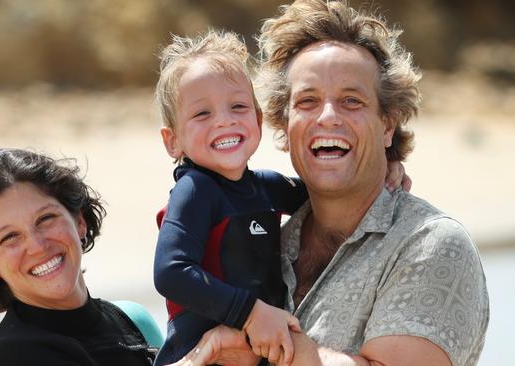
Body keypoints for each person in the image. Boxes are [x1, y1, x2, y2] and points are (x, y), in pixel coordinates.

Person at [171, 1, 489, 366]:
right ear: (283, 125)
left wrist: (272, 350)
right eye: (308, 101)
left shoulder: (431, 244)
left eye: (351, 101)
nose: (328, 117)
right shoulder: (267, 237)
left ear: (387, 125)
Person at [153, 29, 409, 366]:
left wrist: (386, 164)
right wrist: (250, 313)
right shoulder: (195, 191)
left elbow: (336, 190)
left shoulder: (267, 187)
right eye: (203, 114)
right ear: (173, 141)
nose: (225, 121)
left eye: (238, 106)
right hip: (198, 353)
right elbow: (170, 272)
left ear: (259, 120)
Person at [0, 148, 161, 366]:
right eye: (10, 237)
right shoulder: (6, 357)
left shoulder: (134, 320)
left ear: (79, 221)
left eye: (46, 219)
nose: (37, 246)